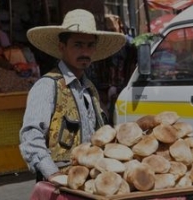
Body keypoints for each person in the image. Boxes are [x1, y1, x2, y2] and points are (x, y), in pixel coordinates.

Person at [18, 9, 126, 199]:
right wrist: (52, 173)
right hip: (60, 187)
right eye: (78, 45)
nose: (85, 52)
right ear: (62, 47)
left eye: (90, 45)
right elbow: (31, 137)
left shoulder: (90, 88)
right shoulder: (47, 86)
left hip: (89, 184)